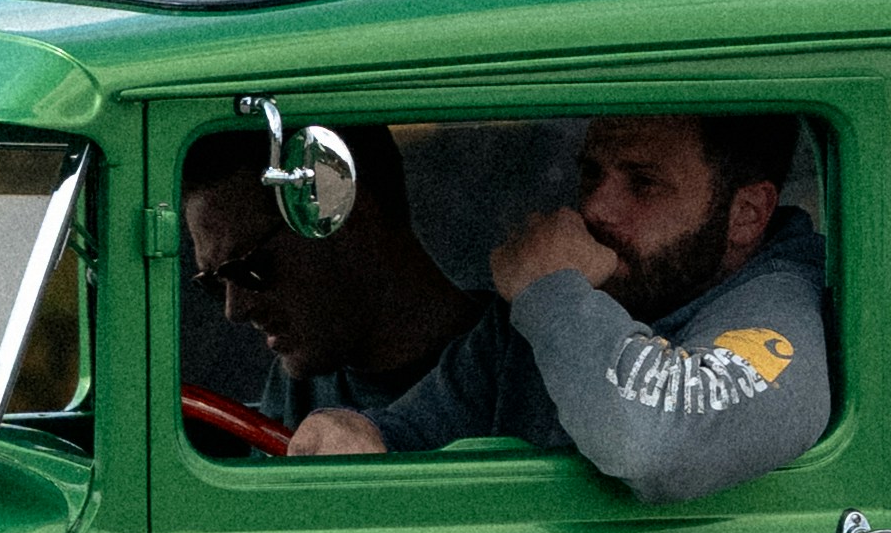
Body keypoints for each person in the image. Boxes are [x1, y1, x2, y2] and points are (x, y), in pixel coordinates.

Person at [287, 109, 831, 504]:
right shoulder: (556, 310)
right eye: (591, 174)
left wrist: (551, 292)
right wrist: (357, 431)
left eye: (643, 184)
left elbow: (658, 447)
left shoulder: (778, 311)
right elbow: (416, 434)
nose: (595, 208)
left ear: (746, 214)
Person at [183, 123, 486, 429]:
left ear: (347, 217)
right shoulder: (296, 383)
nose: (235, 310)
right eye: (214, 283)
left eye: (249, 267)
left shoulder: (507, 370)